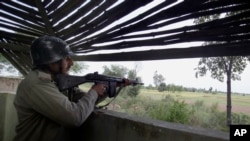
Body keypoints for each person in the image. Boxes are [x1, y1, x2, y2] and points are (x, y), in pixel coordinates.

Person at [13, 35, 107, 141]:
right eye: (66, 59)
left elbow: (85, 102)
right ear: (52, 61)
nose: (71, 62)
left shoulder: (56, 81)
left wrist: (106, 88)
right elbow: (74, 117)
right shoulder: (37, 84)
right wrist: (94, 91)